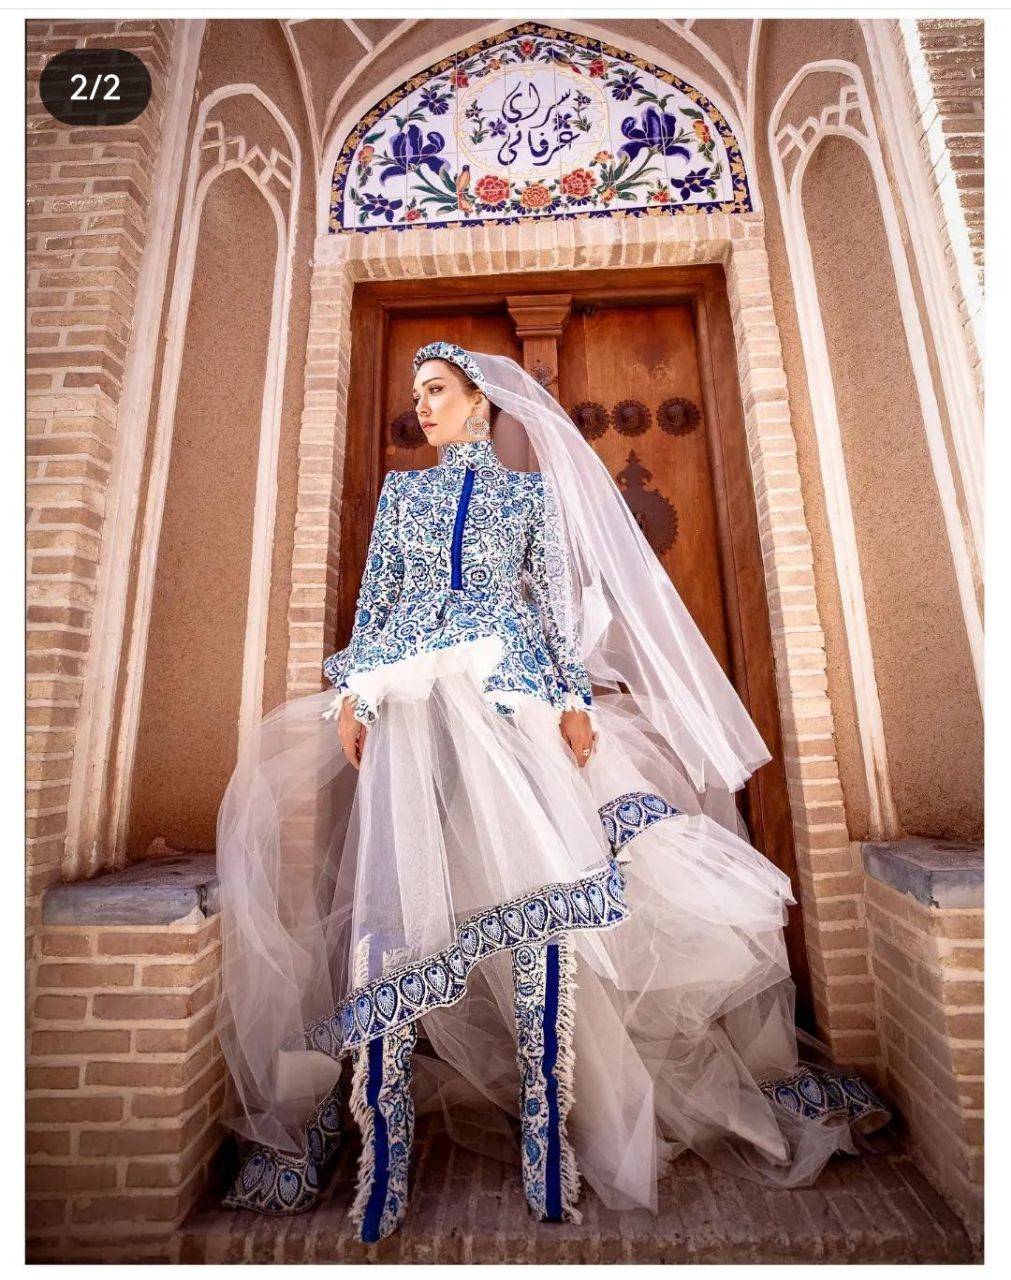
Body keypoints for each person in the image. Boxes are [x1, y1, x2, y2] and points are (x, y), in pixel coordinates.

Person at [213, 342, 890, 1243]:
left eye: (437, 391)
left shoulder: (527, 497)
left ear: (479, 402)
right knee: (394, 916)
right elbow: (378, 606)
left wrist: (572, 699)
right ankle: (384, 1164)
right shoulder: (401, 496)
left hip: (513, 708)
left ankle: (548, 1144)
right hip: (410, 710)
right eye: (416, 394)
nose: (422, 406)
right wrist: (354, 696)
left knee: (540, 910)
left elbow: (549, 611)